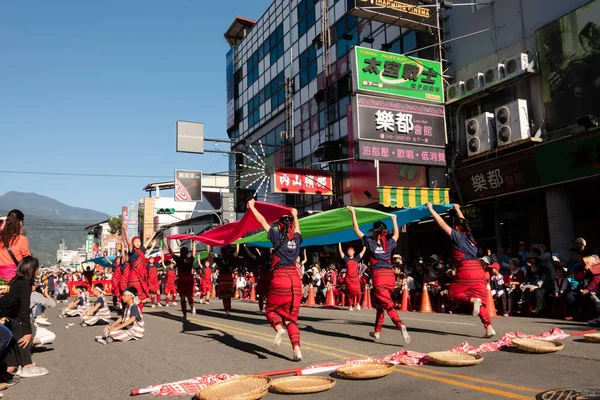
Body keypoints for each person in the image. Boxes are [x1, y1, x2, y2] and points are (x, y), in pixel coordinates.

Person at [427, 203, 495, 338]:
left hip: (466, 270)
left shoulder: (458, 237)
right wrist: (458, 209)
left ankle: (471, 300)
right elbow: (464, 222)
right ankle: (489, 327)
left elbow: (442, 224)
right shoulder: (470, 237)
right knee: (480, 301)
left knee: (452, 293)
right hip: (478, 270)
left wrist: (431, 209)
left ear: (457, 227)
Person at [248, 199, 303, 361]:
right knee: (291, 318)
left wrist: (252, 207)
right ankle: (296, 349)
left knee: (270, 311)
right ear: (291, 226)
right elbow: (298, 229)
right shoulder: (297, 239)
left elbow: (262, 221)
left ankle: (278, 328)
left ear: (279, 226)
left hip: (280, 278)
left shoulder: (276, 236)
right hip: (295, 281)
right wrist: (295, 215)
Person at [348, 206, 411, 343]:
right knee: (379, 304)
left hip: (379, 277)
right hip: (390, 276)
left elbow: (356, 230)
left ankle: (400, 324)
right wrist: (394, 220)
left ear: (374, 232)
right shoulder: (388, 244)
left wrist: (353, 213)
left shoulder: (370, 243)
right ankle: (377, 331)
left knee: (387, 304)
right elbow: (396, 235)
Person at [1, 256, 49, 377]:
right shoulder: (25, 284)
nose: (38, 271)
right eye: (37, 268)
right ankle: (27, 366)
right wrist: (28, 332)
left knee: (14, 337)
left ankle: (11, 366)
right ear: (32, 269)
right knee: (23, 336)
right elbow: (24, 309)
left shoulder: (16, 280)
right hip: (7, 314)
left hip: (7, 314)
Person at [166, 242, 195, 319]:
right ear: (187, 252)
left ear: (180, 252)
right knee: (189, 295)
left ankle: (185, 315)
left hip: (182, 279)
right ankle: (192, 305)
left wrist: (167, 242)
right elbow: (194, 253)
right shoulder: (190, 259)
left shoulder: (178, 259)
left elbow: (171, 252)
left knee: (182, 297)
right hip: (189, 278)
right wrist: (194, 242)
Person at [0, 210, 31, 282]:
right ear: (20, 223)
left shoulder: (1, 238)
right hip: (15, 278)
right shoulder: (22, 239)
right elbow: (27, 259)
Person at [339, 243, 367, 311]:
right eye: (348, 251)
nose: (349, 252)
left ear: (354, 252)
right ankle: (350, 306)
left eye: (351, 251)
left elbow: (363, 252)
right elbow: (341, 252)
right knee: (349, 293)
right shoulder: (346, 259)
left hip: (355, 278)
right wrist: (339, 243)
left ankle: (358, 304)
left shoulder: (356, 259)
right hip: (348, 279)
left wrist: (365, 244)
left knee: (359, 292)